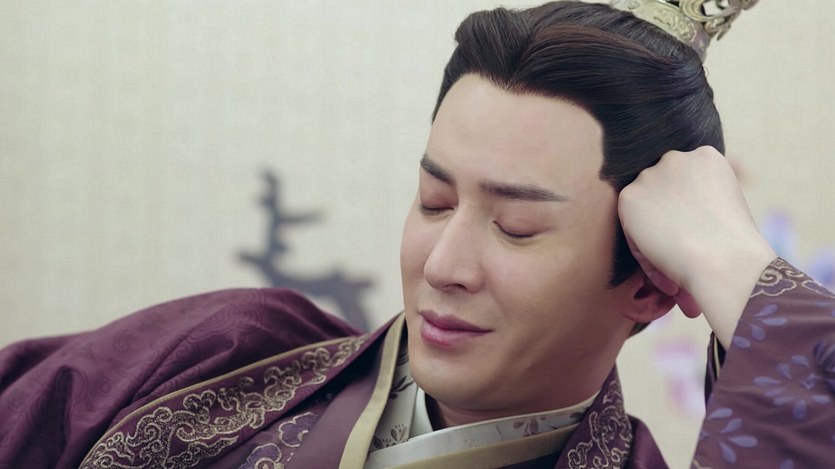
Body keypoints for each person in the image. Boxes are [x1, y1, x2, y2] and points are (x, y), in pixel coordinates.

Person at [1, 1, 833, 468]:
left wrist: (734, 266)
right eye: (434, 201)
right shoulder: (227, 356)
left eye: (515, 227)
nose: (443, 264)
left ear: (648, 281)